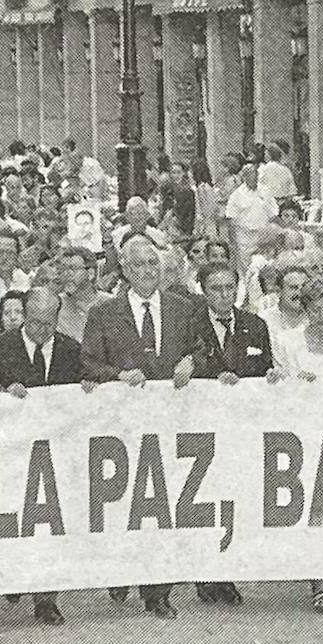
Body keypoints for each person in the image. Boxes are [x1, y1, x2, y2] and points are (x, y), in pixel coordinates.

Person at [81, 236, 201, 618]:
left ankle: (157, 591)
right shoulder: (104, 313)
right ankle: (121, 572)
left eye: (153, 263)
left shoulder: (184, 308)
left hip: (171, 426)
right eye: (139, 265)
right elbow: (88, 364)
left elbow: (203, 347)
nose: (148, 271)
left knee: (161, 507)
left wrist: (192, 362)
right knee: (124, 507)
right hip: (123, 429)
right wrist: (117, 374)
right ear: (125, 271)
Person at [177, 260, 275, 607]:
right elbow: (179, 374)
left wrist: (269, 380)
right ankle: (207, 573)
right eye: (216, 289)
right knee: (207, 501)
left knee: (238, 499)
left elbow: (264, 370)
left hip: (243, 427)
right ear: (203, 291)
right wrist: (208, 378)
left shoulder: (255, 325)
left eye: (229, 288)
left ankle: (229, 572)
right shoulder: (188, 326)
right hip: (203, 428)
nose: (224, 295)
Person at [0, 286, 81, 625]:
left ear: (58, 319)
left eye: (48, 323)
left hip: (56, 450)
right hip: (12, 451)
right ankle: (15, 577)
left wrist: (88, 389)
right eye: (34, 322)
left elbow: (87, 392)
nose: (41, 330)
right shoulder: (0, 347)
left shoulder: (71, 349)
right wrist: (0, 392)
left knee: (51, 527)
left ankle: (47, 599)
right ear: (23, 315)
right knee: (15, 519)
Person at [223, 163, 278, 276]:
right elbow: (231, 219)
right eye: (249, 174)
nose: (253, 177)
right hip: (244, 239)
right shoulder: (236, 195)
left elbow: (274, 214)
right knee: (246, 272)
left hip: (263, 237)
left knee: (264, 268)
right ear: (244, 177)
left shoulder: (266, 191)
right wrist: (233, 243)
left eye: (255, 174)